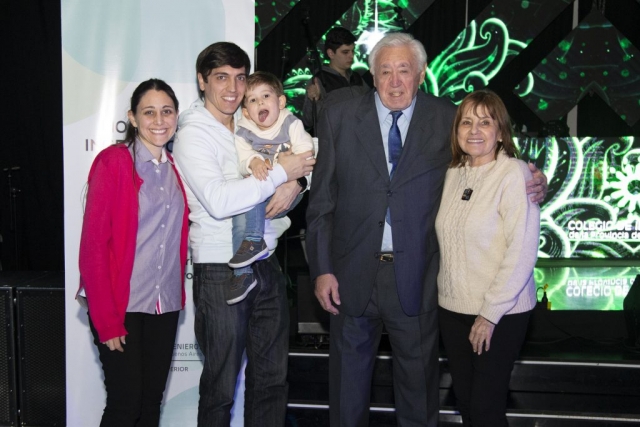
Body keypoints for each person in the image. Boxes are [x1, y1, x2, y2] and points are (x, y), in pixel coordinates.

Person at [306, 32, 547, 427]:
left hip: (419, 278)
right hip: (349, 278)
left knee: (418, 397)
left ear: (420, 75)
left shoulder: (447, 118)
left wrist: (535, 180)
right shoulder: (338, 116)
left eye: (404, 71)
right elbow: (321, 203)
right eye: (386, 71)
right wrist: (321, 269)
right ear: (372, 75)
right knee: (346, 395)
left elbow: (489, 159)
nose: (395, 81)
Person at [171, 42, 314, 426]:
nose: (233, 88)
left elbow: (305, 156)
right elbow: (220, 201)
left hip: (266, 261)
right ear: (202, 81)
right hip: (221, 268)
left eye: (239, 78)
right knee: (220, 388)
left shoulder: (251, 118)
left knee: (271, 382)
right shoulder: (192, 135)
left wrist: (297, 182)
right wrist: (283, 173)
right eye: (221, 78)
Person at [78, 78, 189, 426]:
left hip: (164, 304)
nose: (159, 120)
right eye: (149, 112)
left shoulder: (177, 167)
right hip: (120, 306)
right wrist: (107, 320)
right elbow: (93, 248)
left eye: (166, 111)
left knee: (150, 404)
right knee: (125, 404)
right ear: (133, 117)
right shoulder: (113, 162)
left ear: (176, 116)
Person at [436, 90, 539, 426]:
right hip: (453, 310)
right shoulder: (453, 173)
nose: (474, 130)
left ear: (501, 131)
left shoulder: (514, 173)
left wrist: (490, 314)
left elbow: (522, 251)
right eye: (466, 122)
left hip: (501, 313)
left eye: (484, 122)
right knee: (467, 406)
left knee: (486, 409)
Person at [228, 71, 315, 305]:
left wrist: (288, 171)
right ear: (246, 111)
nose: (260, 103)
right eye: (253, 100)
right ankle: (242, 274)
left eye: (266, 96)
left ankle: (255, 239)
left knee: (255, 192)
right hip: (260, 193)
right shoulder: (244, 130)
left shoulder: (291, 123)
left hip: (288, 191)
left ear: (281, 101)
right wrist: (253, 161)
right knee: (240, 216)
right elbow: (242, 159)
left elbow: (306, 150)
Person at [302, 26, 370, 130]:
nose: (351, 56)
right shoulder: (319, 80)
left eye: (352, 51)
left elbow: (370, 107)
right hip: (335, 139)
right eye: (345, 52)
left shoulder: (357, 77)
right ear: (331, 53)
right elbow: (308, 121)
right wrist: (313, 101)